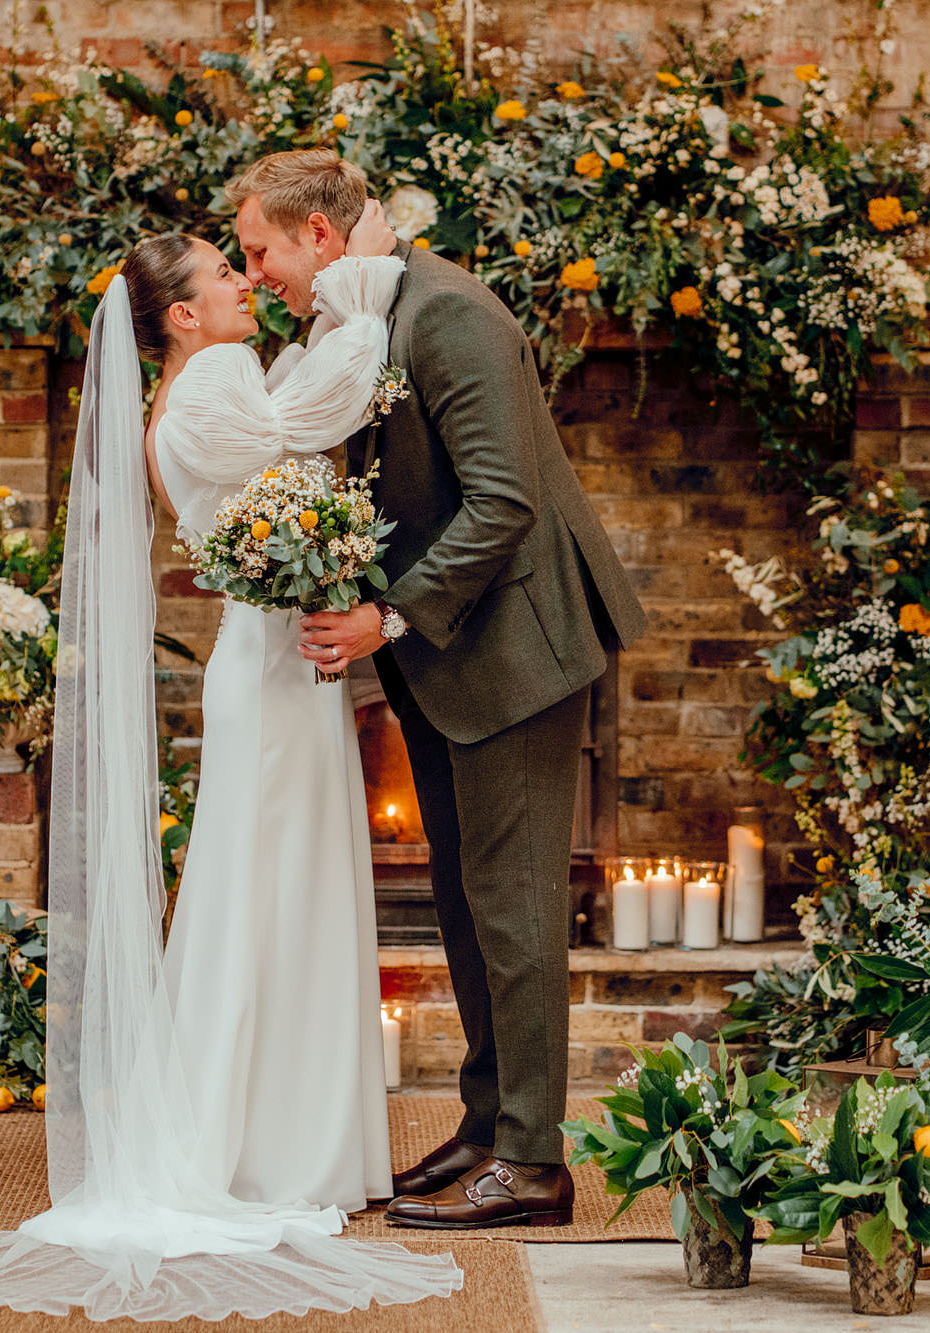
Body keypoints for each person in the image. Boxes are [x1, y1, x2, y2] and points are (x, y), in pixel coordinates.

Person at [0, 198, 463, 1319]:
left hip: (275, 662)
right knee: (267, 898)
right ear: (183, 316)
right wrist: (363, 286)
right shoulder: (211, 387)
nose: (245, 283)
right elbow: (327, 402)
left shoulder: (191, 392)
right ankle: (265, 1152)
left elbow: (295, 418)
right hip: (272, 674)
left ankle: (292, 1144)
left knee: (277, 893)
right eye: (223, 276)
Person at [230, 148, 650, 1229]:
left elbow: (503, 498)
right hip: (445, 658)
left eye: (261, 253)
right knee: (468, 903)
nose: (255, 276)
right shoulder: (370, 312)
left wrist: (386, 616)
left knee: (515, 906)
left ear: (318, 235)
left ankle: (536, 1162)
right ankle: (488, 1125)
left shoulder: (449, 312)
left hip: (515, 650)